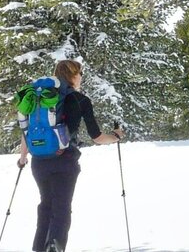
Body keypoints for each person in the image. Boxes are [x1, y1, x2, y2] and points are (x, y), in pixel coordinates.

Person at [17, 59, 125, 252]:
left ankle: (39, 248)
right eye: (80, 73)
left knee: (46, 205)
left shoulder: (41, 99)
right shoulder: (80, 100)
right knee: (61, 208)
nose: (81, 77)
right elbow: (97, 138)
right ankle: (55, 247)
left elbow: (28, 131)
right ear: (74, 75)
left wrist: (23, 157)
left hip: (39, 162)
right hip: (65, 162)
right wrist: (116, 136)